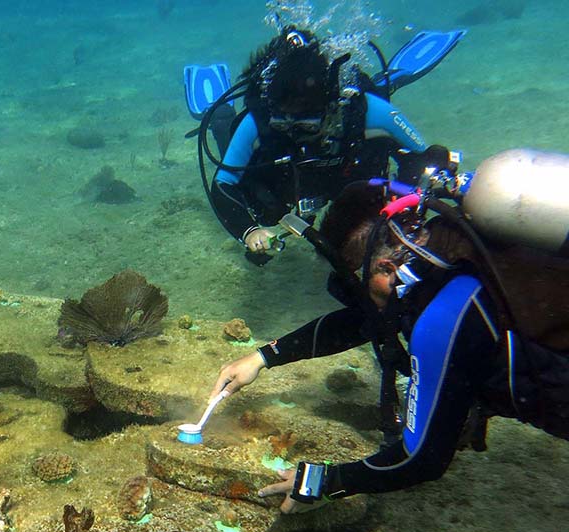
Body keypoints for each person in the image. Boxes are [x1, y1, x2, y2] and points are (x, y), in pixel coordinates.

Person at [208, 180, 569, 512]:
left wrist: (327, 481)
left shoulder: (443, 319)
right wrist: (263, 356)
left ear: (383, 267)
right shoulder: (451, 249)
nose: (360, 298)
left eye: (358, 284)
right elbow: (368, 320)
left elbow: (421, 459)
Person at [202, 26, 451, 265]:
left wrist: (404, 211)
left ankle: (386, 81)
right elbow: (224, 183)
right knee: (263, 204)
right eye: (284, 123)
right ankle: (220, 116)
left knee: (365, 213)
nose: (294, 134)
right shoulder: (259, 119)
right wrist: (250, 232)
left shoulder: (367, 111)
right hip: (285, 178)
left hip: (347, 171)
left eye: (305, 126)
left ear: (332, 106)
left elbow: (422, 157)